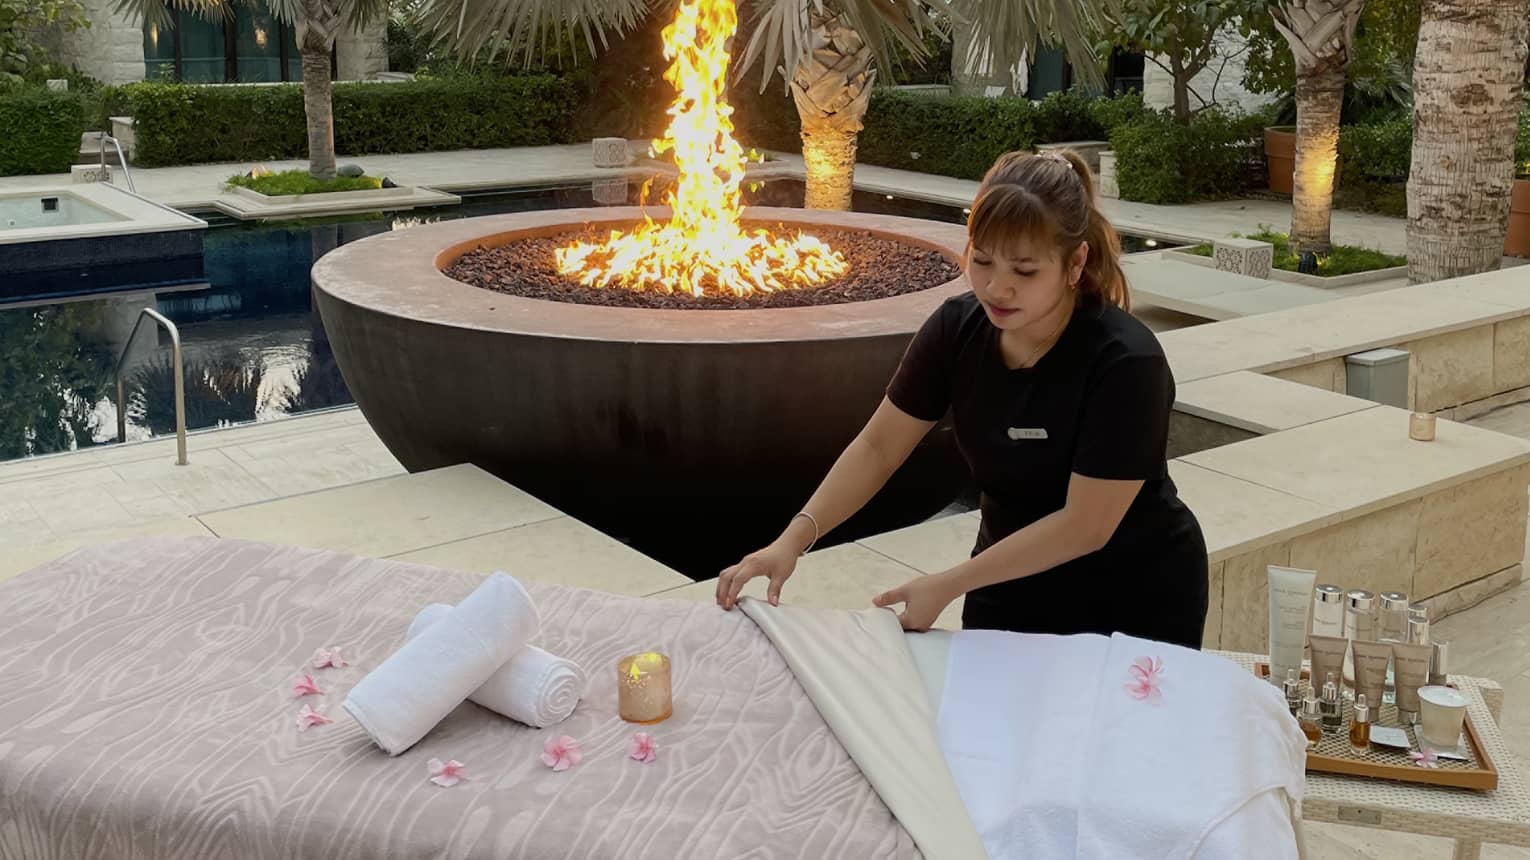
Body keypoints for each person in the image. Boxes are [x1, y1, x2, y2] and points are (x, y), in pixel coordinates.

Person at [715, 148, 1209, 649]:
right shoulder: (956, 330)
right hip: (1006, 581)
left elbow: (1086, 525)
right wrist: (792, 541)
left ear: (1075, 262)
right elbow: (879, 448)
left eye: (1025, 270)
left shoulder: (1125, 362)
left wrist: (950, 583)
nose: (998, 287)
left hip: (1131, 594)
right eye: (983, 260)